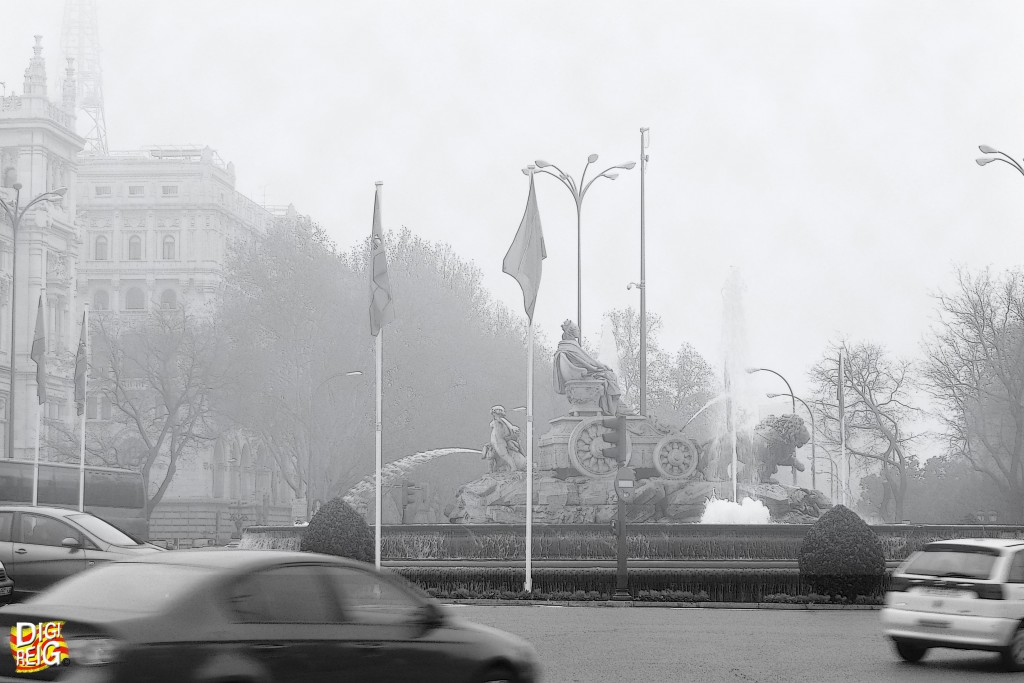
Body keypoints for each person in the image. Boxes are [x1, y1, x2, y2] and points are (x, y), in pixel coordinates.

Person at [552, 319, 627, 416]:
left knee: (608, 376)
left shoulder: (565, 346)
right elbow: (589, 361)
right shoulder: (571, 346)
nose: (579, 332)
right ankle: (614, 408)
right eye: (577, 330)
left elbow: (586, 361)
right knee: (609, 376)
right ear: (572, 331)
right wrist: (602, 366)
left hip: (579, 375)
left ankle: (615, 406)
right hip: (583, 376)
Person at [482, 405, 527, 473]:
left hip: (499, 443)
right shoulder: (496, 421)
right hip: (495, 443)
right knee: (490, 455)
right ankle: (491, 470)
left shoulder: (500, 420)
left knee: (504, 455)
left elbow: (507, 426)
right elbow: (492, 425)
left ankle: (513, 467)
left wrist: (512, 428)